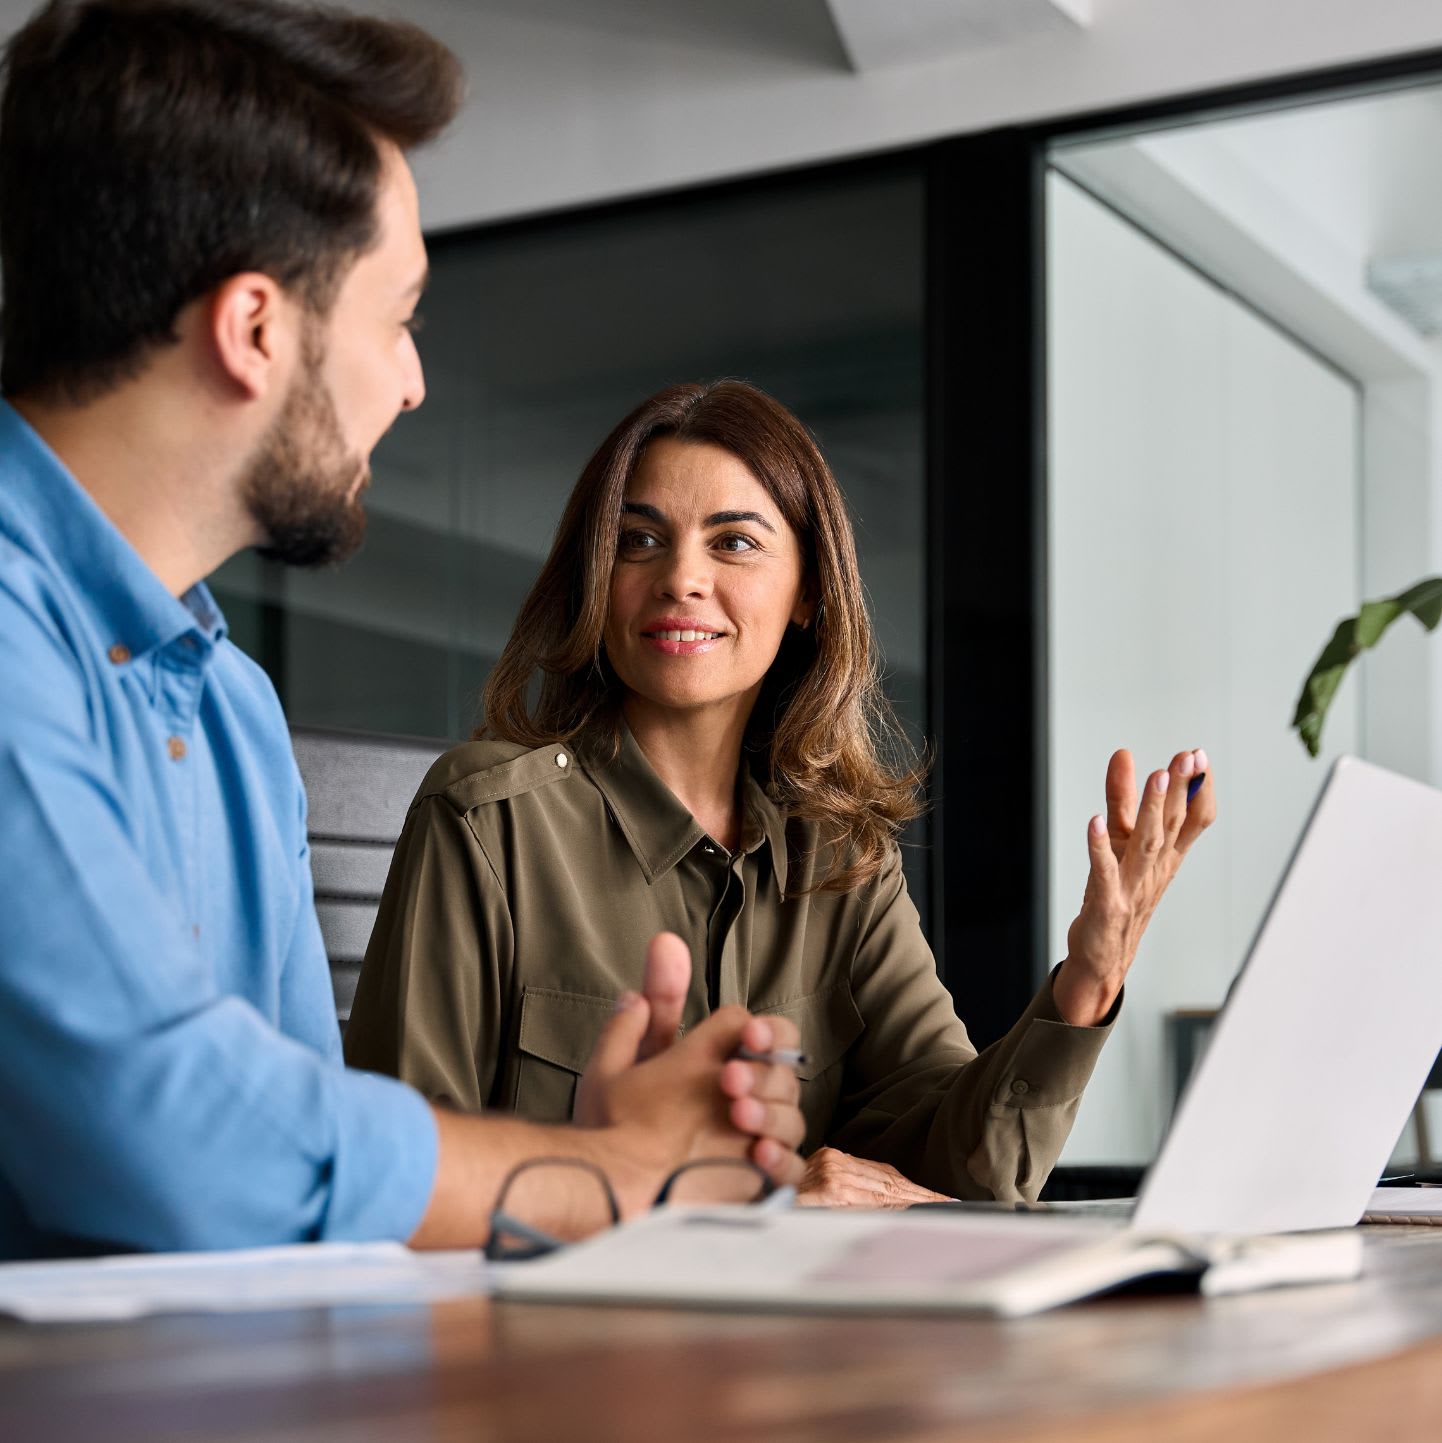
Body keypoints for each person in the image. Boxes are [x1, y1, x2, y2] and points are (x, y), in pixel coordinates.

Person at [0, 0, 805, 1262]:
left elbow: (295, 1180)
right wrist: (597, 1172)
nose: (413, 380)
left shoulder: (229, 708)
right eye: (397, 315)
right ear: (256, 329)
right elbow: (176, 1140)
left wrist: (566, 1158)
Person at [345, 379, 1217, 1207]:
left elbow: (965, 1168)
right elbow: (397, 1189)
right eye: (639, 539)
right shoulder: (487, 821)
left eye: (734, 542)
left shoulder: (841, 857)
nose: (682, 577)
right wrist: (748, 1208)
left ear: (807, 593)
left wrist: (1091, 979)